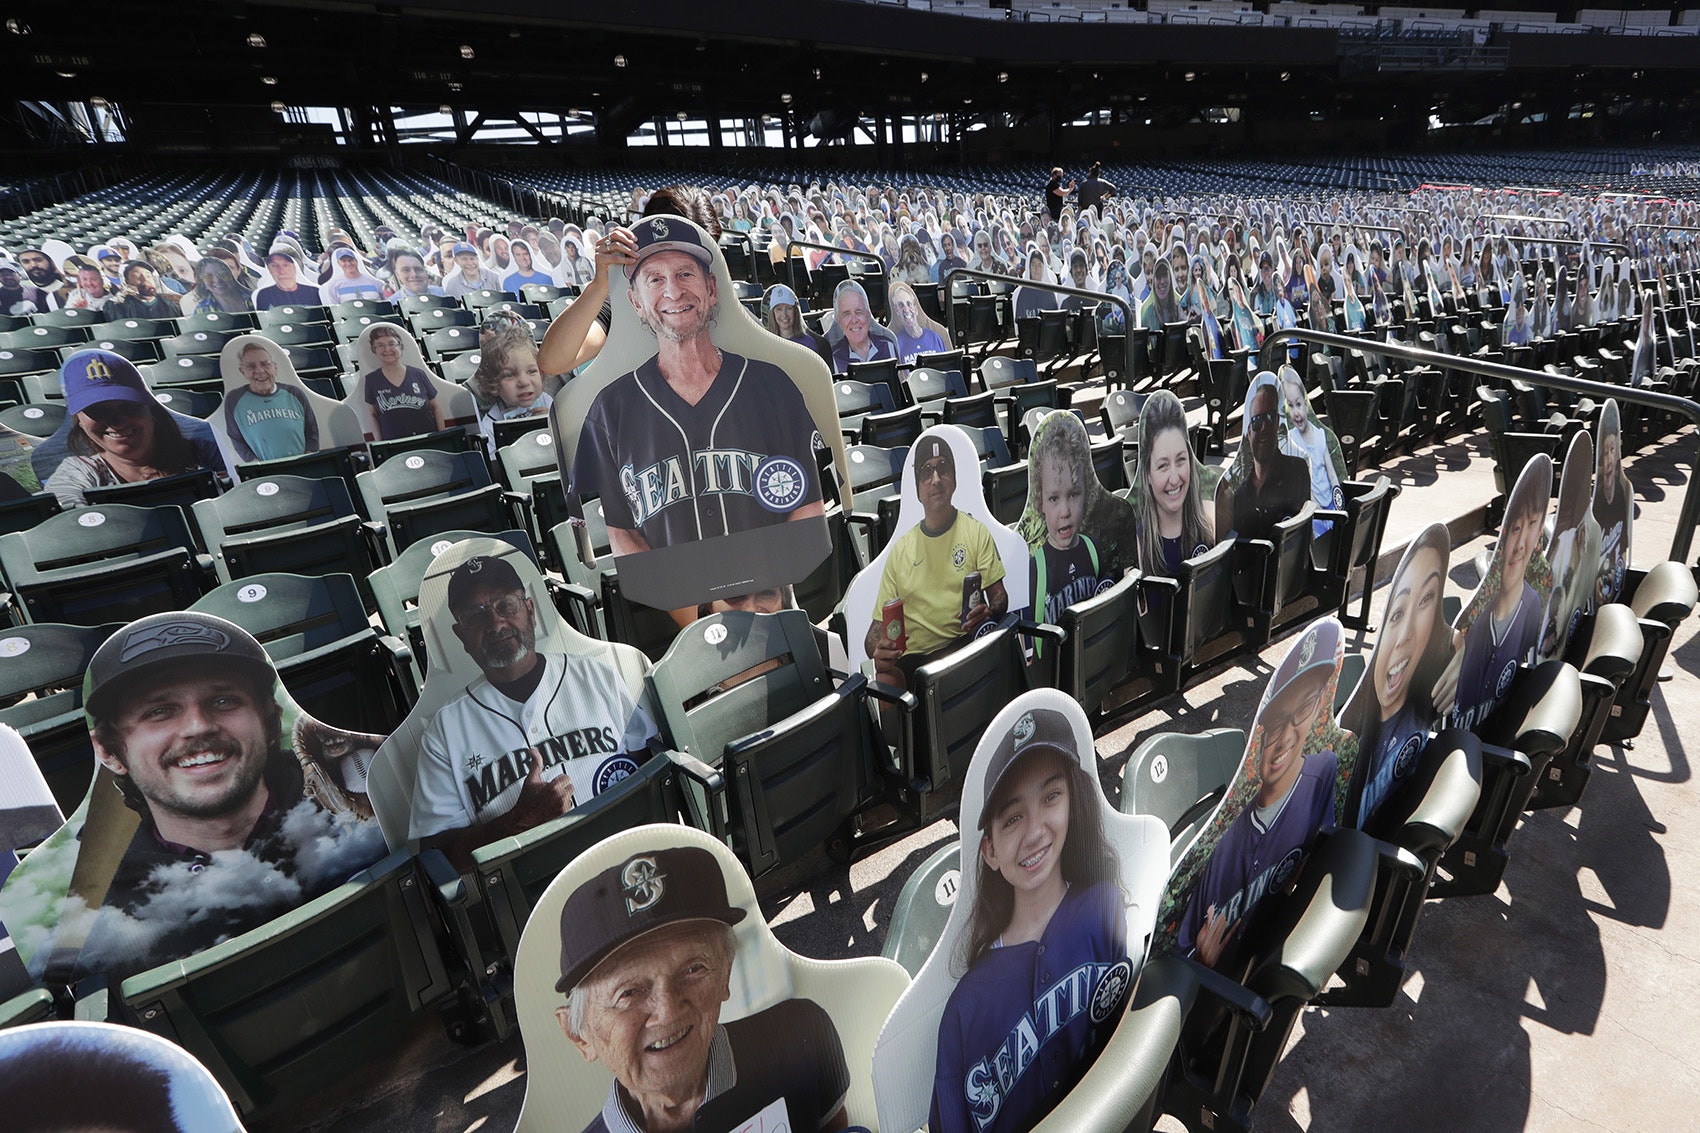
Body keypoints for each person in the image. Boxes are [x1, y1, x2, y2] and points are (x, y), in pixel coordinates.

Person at [76, 611, 382, 977]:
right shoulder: (89, 915)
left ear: (269, 721)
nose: (198, 726)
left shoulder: (377, 798)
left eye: (223, 701)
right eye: (160, 711)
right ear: (109, 751)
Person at [570, 215, 827, 555]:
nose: (674, 291)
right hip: (671, 603)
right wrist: (691, 605)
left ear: (711, 288)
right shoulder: (609, 410)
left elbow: (810, 506)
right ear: (636, 303)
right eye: (655, 279)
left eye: (685, 274)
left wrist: (760, 594)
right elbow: (622, 534)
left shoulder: (774, 385)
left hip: (776, 593)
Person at [554, 844, 851, 1133]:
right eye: (629, 992)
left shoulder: (802, 1036)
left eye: (693, 969)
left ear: (725, 972)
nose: (668, 1012)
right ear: (578, 1035)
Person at [931, 706, 1127, 1133]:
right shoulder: (964, 1011)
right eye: (1014, 817)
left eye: (1051, 797)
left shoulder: (1105, 910)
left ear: (1073, 800)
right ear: (990, 851)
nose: (1036, 830)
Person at [409, 555, 658, 872]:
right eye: (476, 616)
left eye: (506, 606)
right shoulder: (444, 732)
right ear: (461, 637)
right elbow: (436, 857)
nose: (496, 623)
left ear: (530, 610)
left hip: (636, 860)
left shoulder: (597, 676)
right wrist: (514, 823)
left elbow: (652, 763)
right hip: (536, 892)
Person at [1177, 619, 1340, 969]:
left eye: (1303, 708)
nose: (1285, 736)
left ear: (1319, 706)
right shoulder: (1222, 845)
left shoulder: (1324, 772)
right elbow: (1181, 952)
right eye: (1278, 720)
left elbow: (1320, 857)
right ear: (1261, 735)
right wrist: (1203, 961)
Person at [864, 435, 1010, 689]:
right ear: (918, 489)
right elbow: (875, 631)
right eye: (926, 472)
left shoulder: (976, 532)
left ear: (953, 479)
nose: (935, 479)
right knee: (885, 676)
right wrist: (877, 649)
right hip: (916, 662)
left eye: (943, 468)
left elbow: (1000, 597)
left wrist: (989, 610)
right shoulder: (901, 551)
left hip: (965, 644)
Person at [1434, 458, 1549, 731]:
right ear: (1503, 537)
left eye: (1531, 525)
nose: (1520, 545)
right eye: (1515, 528)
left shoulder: (1533, 605)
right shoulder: (1471, 626)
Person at [1347, 525, 1449, 825]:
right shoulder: (1343, 747)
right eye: (1396, 614)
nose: (1405, 635)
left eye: (1426, 600)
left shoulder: (1428, 698)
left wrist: (1462, 650)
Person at [40, 351, 224, 508]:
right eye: (96, 410)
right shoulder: (77, 472)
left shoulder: (203, 453)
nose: (117, 422)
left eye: (128, 406)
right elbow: (69, 517)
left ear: (150, 408)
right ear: (79, 420)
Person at [1025, 414, 1114, 631]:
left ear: (1086, 494)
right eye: (1054, 499)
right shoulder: (1036, 566)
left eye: (1073, 494)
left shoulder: (1093, 548)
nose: (1064, 511)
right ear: (1040, 502)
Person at [1214, 373, 1311, 542]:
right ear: (1249, 432)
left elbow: (1307, 538)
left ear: (1278, 423)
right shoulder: (1239, 492)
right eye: (1258, 420)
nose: (1264, 427)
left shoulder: (1297, 470)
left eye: (1270, 417)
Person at [1134, 390, 1215, 576]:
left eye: (1180, 460)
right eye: (1162, 466)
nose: (1174, 478)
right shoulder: (1138, 544)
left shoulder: (1210, 519)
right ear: (1147, 473)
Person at [221, 340, 320, 462]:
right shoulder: (233, 400)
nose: (260, 371)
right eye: (251, 366)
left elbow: (312, 432)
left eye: (265, 364)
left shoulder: (295, 393)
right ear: (243, 371)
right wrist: (257, 466)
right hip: (267, 471)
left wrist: (308, 460)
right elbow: (237, 440)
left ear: (275, 368)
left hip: (304, 464)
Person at [1275, 368, 1346, 535]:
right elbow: (1303, 484)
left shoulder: (1321, 435)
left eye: (1298, 404)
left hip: (1330, 504)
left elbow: (1332, 475)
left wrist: (1338, 505)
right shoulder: (1291, 442)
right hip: (1313, 509)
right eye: (1290, 406)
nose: (1296, 412)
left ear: (1306, 406)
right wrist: (1318, 510)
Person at [471, 318, 553, 452]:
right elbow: (495, 466)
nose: (524, 382)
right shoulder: (491, 422)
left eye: (532, 371)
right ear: (494, 384)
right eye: (509, 375)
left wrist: (552, 423)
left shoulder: (547, 402)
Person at [359, 323, 447, 440]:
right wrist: (380, 444)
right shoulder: (371, 380)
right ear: (374, 350)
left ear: (400, 347)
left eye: (391, 343)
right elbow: (372, 414)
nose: (387, 349)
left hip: (428, 438)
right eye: (380, 345)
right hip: (395, 445)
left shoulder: (418, 374)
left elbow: (435, 407)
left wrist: (443, 436)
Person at [1593, 400, 1631, 605]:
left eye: (1612, 450)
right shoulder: (1596, 503)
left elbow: (1622, 547)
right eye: (1605, 451)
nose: (1608, 457)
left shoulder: (1622, 494)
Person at [828, 278, 897, 372]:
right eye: (846, 314)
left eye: (859, 312)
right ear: (839, 321)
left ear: (868, 316)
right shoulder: (834, 357)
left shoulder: (888, 346)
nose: (854, 320)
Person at [886, 280, 949, 364]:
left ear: (915, 308)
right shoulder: (896, 344)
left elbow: (947, 367)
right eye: (900, 305)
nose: (906, 309)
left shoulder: (935, 337)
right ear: (896, 311)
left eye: (909, 304)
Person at [104, 260, 181, 321]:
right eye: (137, 276)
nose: (145, 279)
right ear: (127, 281)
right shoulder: (119, 306)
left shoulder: (169, 305)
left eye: (148, 275)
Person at [252, 242, 316, 310]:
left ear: (295, 268)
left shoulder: (315, 292)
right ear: (269, 270)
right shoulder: (263, 295)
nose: (281, 272)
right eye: (275, 266)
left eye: (286, 265)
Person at [762, 283, 818, 353]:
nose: (784, 315)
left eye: (789, 308)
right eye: (779, 309)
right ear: (773, 313)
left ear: (795, 312)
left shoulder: (808, 343)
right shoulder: (768, 345)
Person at [319, 247, 385, 306]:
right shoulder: (334, 285)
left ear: (356, 261)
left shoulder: (375, 282)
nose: (348, 263)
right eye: (344, 261)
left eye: (350, 260)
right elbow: (337, 310)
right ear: (339, 263)